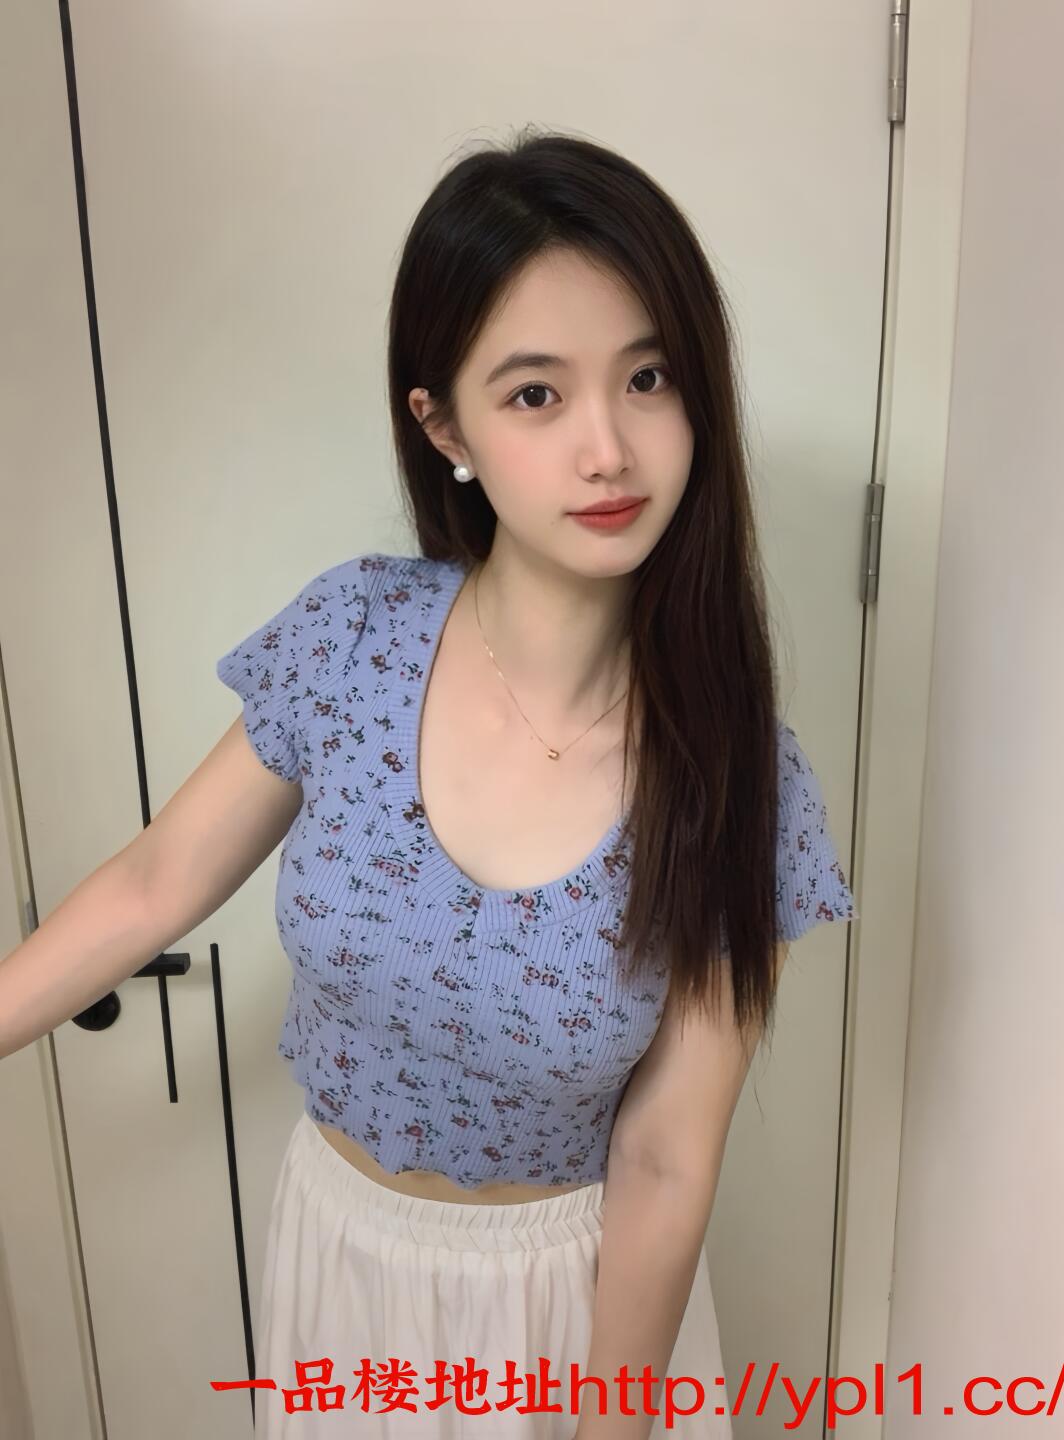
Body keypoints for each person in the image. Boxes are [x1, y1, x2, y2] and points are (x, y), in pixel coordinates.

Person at [0, 127, 857, 1438]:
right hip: (343, 1262)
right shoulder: (352, 640)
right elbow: (155, 882)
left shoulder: (743, 775)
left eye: (648, 378)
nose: (608, 449)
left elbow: (666, 1156)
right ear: (444, 423)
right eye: (536, 395)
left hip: (577, 1313)